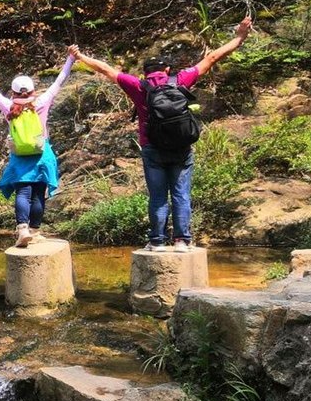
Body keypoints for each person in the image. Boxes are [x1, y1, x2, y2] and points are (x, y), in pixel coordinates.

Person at [74, 15, 253, 251]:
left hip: (152, 147)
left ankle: (156, 241)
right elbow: (211, 58)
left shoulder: (137, 85)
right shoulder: (179, 79)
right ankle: (182, 241)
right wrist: (239, 37)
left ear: (145, 71)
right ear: (166, 69)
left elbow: (106, 69)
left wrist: (79, 56)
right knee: (181, 194)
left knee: (158, 196)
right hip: (181, 147)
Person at [0, 46, 77, 247]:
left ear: (14, 91)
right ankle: (35, 230)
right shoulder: (42, 102)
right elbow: (60, 80)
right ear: (33, 90)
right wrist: (70, 58)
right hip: (42, 154)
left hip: (19, 156)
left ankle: (23, 229)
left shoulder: (8, 106)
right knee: (38, 194)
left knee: (23, 193)